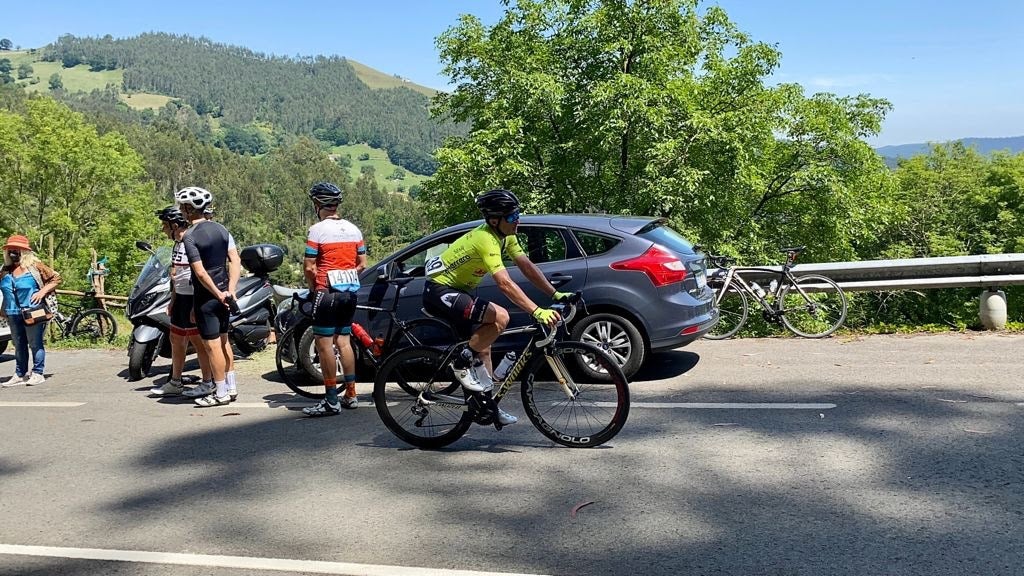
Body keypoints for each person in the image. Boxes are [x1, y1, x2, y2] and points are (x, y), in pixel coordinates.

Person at [421, 189, 570, 427]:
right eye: (512, 217)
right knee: (500, 317)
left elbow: (527, 266)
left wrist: (554, 293)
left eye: (517, 214)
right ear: (494, 220)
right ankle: (460, 362)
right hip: (440, 291)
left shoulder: (506, 235)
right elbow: (504, 282)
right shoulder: (485, 239)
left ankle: (487, 406)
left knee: (485, 348)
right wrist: (536, 311)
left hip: (461, 292)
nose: (517, 220)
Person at [300, 182, 367, 417]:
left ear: (317, 204)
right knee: (344, 342)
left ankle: (330, 400)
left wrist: (314, 288)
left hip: (326, 292)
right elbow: (363, 264)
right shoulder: (354, 229)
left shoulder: (317, 230)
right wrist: (347, 276)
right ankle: (351, 394)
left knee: (324, 343)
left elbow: (310, 267)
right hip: (349, 291)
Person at [174, 186, 241, 406]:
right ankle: (231, 388)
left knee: (212, 346)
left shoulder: (190, 236)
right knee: (224, 343)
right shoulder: (222, 229)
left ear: (188, 209)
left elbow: (200, 272)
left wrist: (216, 293)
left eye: (182, 207)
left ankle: (220, 392)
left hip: (207, 297)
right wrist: (230, 290)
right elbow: (235, 260)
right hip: (225, 294)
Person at [149, 206, 214, 397]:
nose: (162, 229)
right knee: (176, 338)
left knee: (198, 341)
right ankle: (175, 381)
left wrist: (196, 304)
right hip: (180, 297)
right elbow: (176, 273)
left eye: (164, 225)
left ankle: (208, 382)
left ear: (175, 225)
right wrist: (172, 300)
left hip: (193, 297)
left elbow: (198, 274)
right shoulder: (177, 243)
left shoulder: (190, 241)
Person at [0, 234, 62, 387]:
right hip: (12, 312)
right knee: (18, 344)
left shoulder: (35, 266)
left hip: (33, 311)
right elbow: (5, 291)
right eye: (10, 249)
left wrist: (42, 292)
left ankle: (37, 373)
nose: (13, 252)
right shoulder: (5, 270)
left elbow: (56, 278)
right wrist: (2, 309)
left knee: (35, 343)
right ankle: (20, 374)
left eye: (16, 249)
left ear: (24, 251)